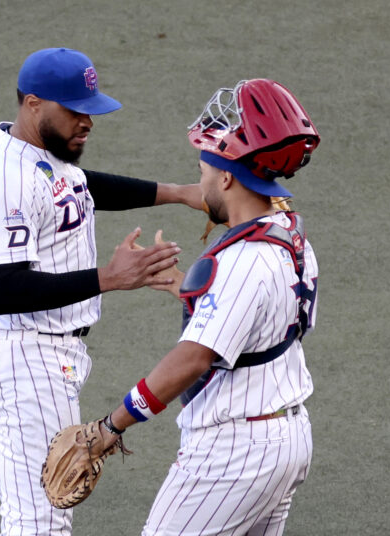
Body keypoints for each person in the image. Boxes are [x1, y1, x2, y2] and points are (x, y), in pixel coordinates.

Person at [0, 47, 202, 536]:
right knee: (40, 521)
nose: (86, 121)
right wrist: (111, 277)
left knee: (46, 515)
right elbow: (1, 289)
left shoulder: (43, 157)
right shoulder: (5, 177)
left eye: (90, 109)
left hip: (50, 355)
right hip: (25, 359)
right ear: (32, 104)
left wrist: (178, 193)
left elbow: (81, 187)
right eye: (74, 110)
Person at [97, 78, 321, 535]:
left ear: (226, 176)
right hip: (287, 436)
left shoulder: (243, 259)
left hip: (235, 453)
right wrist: (192, 293)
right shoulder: (290, 234)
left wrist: (111, 425)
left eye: (202, 170)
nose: (199, 180)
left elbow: (193, 358)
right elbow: (268, 324)